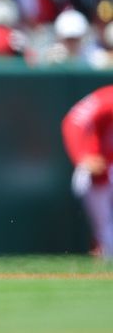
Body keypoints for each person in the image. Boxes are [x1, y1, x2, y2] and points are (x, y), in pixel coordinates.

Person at [62, 85, 113, 258]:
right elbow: (73, 121)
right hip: (97, 172)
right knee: (107, 238)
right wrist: (82, 156)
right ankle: (102, 247)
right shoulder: (108, 98)